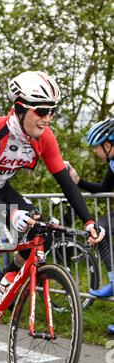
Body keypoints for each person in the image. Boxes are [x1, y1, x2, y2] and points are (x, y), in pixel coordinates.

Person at [0, 70, 105, 363]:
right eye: (41, 111)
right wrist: (10, 214)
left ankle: (4, 282)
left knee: (43, 232)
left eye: (52, 111)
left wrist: (89, 221)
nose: (48, 118)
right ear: (20, 106)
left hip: (0, 189)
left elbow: (65, 182)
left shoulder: (44, 138)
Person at [67, 118, 114, 333]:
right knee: (101, 229)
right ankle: (113, 280)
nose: (95, 151)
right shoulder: (112, 163)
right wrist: (78, 182)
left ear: (108, 145)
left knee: (102, 227)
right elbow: (104, 188)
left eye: (97, 147)